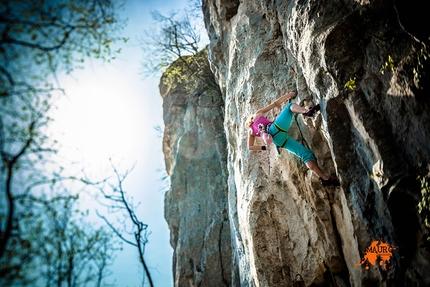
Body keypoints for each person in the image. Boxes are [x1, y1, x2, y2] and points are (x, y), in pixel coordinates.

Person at [246, 90, 340, 186]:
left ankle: (324, 179)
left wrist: (263, 147)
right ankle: (306, 111)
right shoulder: (257, 114)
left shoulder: (251, 132)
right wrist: (290, 95)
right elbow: (275, 104)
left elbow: (250, 147)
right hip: (275, 129)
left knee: (305, 155)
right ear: (251, 118)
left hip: (278, 141)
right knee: (289, 107)